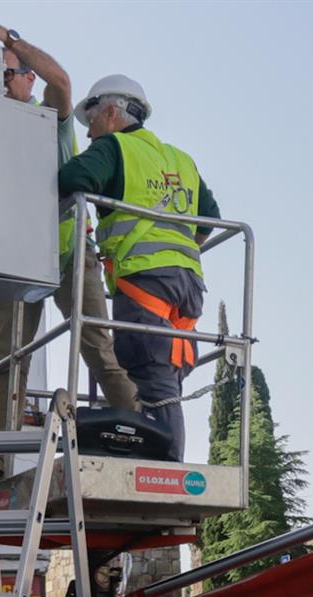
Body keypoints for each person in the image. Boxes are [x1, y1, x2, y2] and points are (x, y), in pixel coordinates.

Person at [0, 5, 141, 430]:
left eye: (9, 74)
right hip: (14, 258)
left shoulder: (50, 118)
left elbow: (61, 82)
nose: (4, 84)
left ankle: (140, 428)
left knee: (96, 347)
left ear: (28, 77)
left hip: (70, 252)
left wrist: (5, 35)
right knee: (8, 360)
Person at [59, 72, 220, 459]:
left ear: (112, 112)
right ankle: (158, 464)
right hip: (187, 289)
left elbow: (71, 177)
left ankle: (166, 473)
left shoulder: (114, 148)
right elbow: (210, 219)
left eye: (93, 119)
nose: (91, 132)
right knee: (164, 381)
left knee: (154, 383)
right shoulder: (179, 159)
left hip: (144, 284)